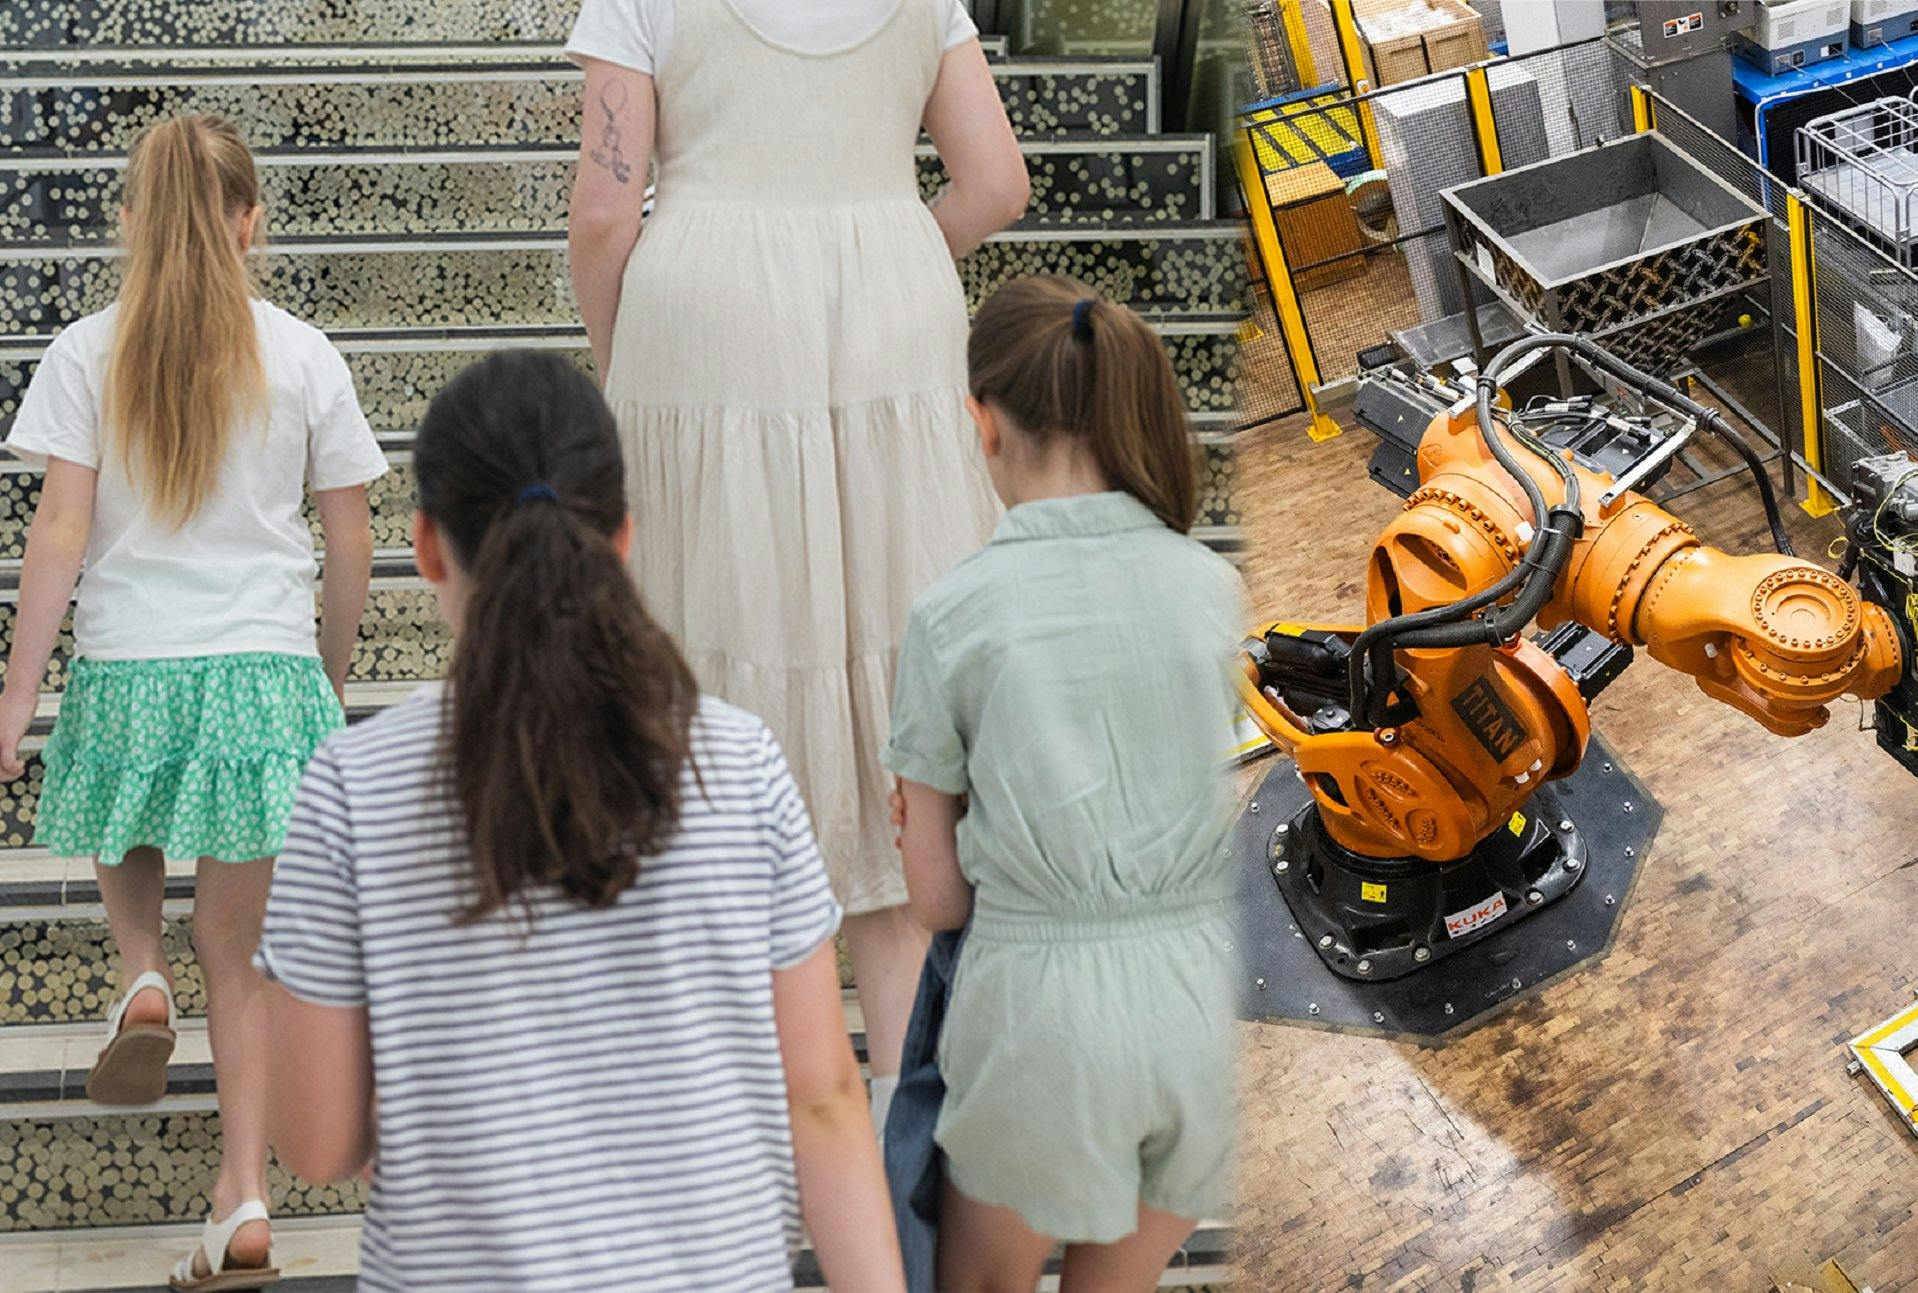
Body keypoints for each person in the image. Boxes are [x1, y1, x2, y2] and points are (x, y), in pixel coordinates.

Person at [256, 351, 902, 1292]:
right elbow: (827, 1100)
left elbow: (317, 1141)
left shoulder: (351, 789)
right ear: (626, 534)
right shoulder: (738, 763)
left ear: (429, 545)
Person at [563, 0, 1030, 1113]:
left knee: (714, 682)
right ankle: (900, 1129)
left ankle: (728, 1139)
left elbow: (601, 208)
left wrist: (617, 351)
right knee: (890, 721)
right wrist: (894, 240)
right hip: (889, 305)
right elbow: (995, 184)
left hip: (705, 316)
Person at [0, 114, 383, 1292]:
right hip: (263, 671)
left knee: (128, 839)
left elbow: (58, 531)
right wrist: (322, 669)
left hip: (129, 669)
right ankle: (245, 1198)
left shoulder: (85, 351)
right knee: (246, 960)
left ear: (130, 219)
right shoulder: (306, 352)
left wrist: (13, 705)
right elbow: (353, 541)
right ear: (250, 221)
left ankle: (134, 971)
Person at [886, 277, 1242, 1292]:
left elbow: (934, 900)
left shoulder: (953, 616)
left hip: (1037, 1022)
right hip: (1202, 1004)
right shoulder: (1212, 591)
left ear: (983, 421)